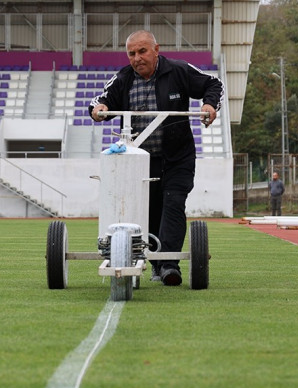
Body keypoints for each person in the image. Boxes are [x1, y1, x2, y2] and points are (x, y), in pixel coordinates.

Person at [89, 30, 225, 286]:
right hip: (140, 162)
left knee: (173, 203)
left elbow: (213, 84)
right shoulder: (123, 78)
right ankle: (155, 264)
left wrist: (208, 105)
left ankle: (169, 266)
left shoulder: (178, 70)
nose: (137, 58)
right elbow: (100, 101)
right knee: (147, 211)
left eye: (142, 51)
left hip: (177, 157)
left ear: (156, 49)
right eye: (132, 53)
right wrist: (99, 110)